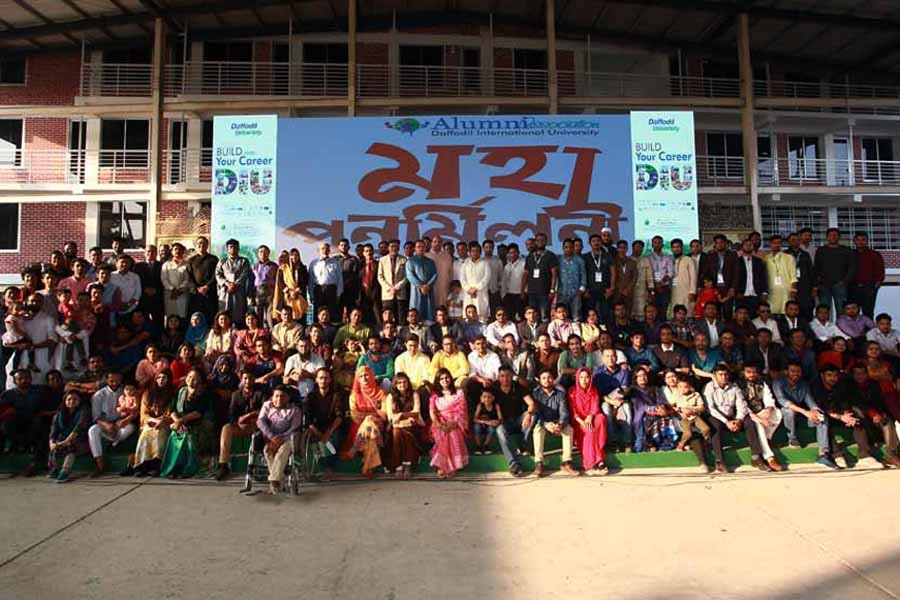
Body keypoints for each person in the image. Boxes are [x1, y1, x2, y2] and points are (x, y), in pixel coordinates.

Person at [703, 364, 766, 473]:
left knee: (749, 421)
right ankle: (719, 461)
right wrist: (726, 422)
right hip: (717, 416)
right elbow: (710, 409)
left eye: (726, 374)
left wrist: (738, 420)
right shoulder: (709, 387)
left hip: (732, 416)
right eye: (720, 375)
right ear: (715, 376)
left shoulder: (734, 387)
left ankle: (757, 457)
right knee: (715, 425)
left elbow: (742, 405)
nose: (724, 377)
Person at [160, 366, 214, 479]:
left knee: (188, 438)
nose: (191, 380)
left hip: (196, 423)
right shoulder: (181, 391)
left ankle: (186, 469)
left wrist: (181, 421)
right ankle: (173, 468)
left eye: (195, 379)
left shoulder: (203, 393)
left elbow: (198, 413)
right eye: (189, 377)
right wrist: (177, 421)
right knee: (174, 435)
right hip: (180, 422)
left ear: (200, 380)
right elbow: (172, 410)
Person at [215, 368, 267, 481]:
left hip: (256, 424)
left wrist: (249, 416)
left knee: (261, 428)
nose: (248, 381)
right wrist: (238, 421)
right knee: (226, 428)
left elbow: (265, 411)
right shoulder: (236, 395)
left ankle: (257, 466)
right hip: (241, 425)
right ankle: (223, 464)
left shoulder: (261, 393)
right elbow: (231, 414)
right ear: (241, 379)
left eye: (250, 378)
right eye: (245, 378)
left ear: (254, 379)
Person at [531, 368, 581, 477]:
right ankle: (539, 463)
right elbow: (537, 413)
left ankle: (566, 463)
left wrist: (560, 424)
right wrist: (546, 424)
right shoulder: (536, 394)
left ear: (553, 379)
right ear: (539, 380)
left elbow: (564, 412)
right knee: (537, 430)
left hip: (557, 421)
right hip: (543, 422)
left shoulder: (560, 394)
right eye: (543, 378)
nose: (547, 380)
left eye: (549, 378)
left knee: (569, 430)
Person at [256, 385, 303, 495]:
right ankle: (278, 479)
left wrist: (280, 439)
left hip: (289, 439)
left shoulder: (295, 410)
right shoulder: (267, 405)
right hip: (272, 438)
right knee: (267, 450)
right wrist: (272, 437)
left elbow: (294, 428)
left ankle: (274, 479)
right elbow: (260, 422)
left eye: (282, 396)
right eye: (276, 396)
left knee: (284, 449)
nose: (278, 399)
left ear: (288, 398)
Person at [341, 366, 387, 478]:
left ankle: (354, 449)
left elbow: (385, 415)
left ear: (371, 376)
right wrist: (372, 415)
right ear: (358, 379)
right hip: (362, 427)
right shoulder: (354, 395)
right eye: (361, 376)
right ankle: (367, 468)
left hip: (379, 425)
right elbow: (355, 416)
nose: (364, 378)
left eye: (366, 375)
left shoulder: (381, 393)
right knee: (370, 432)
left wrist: (369, 416)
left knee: (369, 422)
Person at [87, 371, 135, 477]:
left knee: (130, 428)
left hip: (120, 424)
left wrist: (122, 422)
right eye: (112, 381)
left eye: (117, 380)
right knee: (93, 430)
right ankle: (99, 462)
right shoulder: (99, 395)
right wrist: (107, 425)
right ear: (107, 380)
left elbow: (133, 410)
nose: (114, 383)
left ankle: (114, 443)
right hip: (105, 424)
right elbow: (96, 417)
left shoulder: (126, 391)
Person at [738, 364, 785, 471]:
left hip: (761, 412)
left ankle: (766, 439)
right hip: (748, 414)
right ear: (743, 373)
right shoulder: (739, 385)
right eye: (748, 372)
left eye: (754, 372)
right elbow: (742, 405)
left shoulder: (762, 383)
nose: (752, 375)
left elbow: (769, 398)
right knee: (758, 425)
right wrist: (759, 419)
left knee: (777, 413)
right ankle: (769, 457)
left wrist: (768, 410)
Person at [133, 369, 175, 477]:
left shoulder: (172, 393)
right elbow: (144, 414)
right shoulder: (148, 393)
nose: (161, 380)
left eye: (164, 378)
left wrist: (162, 421)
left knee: (159, 433)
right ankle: (141, 465)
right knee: (146, 433)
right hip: (150, 422)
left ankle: (156, 465)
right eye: (159, 378)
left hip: (166, 423)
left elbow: (171, 412)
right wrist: (154, 420)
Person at [305, 368, 345, 479]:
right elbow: (307, 419)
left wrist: (328, 433)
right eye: (321, 378)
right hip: (315, 428)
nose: (323, 381)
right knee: (315, 441)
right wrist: (318, 433)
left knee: (333, 440)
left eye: (326, 378)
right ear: (316, 380)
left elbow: (339, 417)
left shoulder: (336, 396)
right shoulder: (311, 396)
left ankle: (329, 469)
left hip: (332, 427)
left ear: (330, 380)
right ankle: (320, 468)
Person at [567, 366, 608, 475]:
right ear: (577, 379)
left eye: (587, 377)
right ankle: (592, 463)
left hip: (591, 417)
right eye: (581, 377)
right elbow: (573, 411)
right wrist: (582, 421)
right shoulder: (572, 391)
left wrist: (590, 417)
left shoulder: (593, 390)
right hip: (578, 421)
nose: (584, 380)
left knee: (601, 418)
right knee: (590, 431)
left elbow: (595, 406)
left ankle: (598, 459)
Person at [667, 375, 713, 472]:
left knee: (706, 429)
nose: (683, 389)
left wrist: (692, 410)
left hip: (695, 416)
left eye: (685, 387)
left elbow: (702, 407)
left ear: (690, 387)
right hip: (685, 419)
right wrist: (680, 412)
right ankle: (681, 444)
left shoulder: (696, 395)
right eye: (680, 387)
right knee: (688, 433)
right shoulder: (678, 396)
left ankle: (706, 443)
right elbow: (673, 407)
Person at [429, 368, 469, 478]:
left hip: (456, 423)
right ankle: (444, 466)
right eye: (441, 379)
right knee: (443, 434)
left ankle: (449, 467)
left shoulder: (459, 393)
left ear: (451, 379)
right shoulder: (435, 395)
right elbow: (432, 412)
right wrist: (439, 424)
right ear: (438, 381)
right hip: (440, 422)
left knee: (453, 434)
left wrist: (453, 424)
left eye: (447, 377)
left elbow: (462, 411)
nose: (444, 380)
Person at [630, 365, 678, 453]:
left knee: (665, 418)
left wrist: (662, 408)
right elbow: (639, 405)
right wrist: (652, 410)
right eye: (639, 376)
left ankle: (665, 444)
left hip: (658, 412)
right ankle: (648, 444)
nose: (642, 378)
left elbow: (661, 401)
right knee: (647, 420)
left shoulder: (655, 388)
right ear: (635, 378)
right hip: (642, 413)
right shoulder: (633, 390)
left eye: (644, 375)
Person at [385, 372, 424, 479]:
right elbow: (390, 416)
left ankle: (407, 465)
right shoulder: (390, 397)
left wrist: (402, 415)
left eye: (404, 382)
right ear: (395, 384)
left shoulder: (414, 394)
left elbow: (416, 412)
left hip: (413, 424)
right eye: (399, 382)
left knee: (406, 431)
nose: (402, 385)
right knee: (397, 433)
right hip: (396, 426)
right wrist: (403, 419)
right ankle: (399, 465)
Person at [592, 348, 632, 450]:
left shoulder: (624, 371)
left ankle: (627, 442)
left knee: (627, 409)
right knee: (606, 410)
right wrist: (612, 402)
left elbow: (624, 389)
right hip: (606, 400)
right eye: (607, 356)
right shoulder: (598, 373)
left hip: (621, 399)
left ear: (617, 357)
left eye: (613, 356)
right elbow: (599, 394)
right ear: (603, 359)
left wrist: (617, 404)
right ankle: (613, 442)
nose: (610, 359)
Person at [47, 391, 91, 483]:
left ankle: (65, 472)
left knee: (70, 446)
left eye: (75, 399)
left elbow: (78, 428)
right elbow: (54, 430)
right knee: (55, 446)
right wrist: (52, 443)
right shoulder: (59, 413)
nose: (72, 401)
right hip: (63, 441)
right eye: (69, 399)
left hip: (81, 441)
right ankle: (54, 469)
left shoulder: (84, 411)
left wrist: (65, 442)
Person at [814, 228, 855, 320]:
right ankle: (825, 332)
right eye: (831, 235)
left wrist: (844, 282)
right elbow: (816, 268)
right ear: (827, 237)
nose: (833, 237)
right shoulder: (821, 250)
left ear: (839, 237)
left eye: (835, 235)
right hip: (824, 285)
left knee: (841, 311)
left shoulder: (846, 250)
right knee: (823, 311)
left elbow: (852, 267)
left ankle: (841, 331)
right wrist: (817, 284)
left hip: (840, 285)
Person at [699, 234, 737, 320]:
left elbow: (736, 273)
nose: (719, 244)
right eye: (717, 243)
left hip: (727, 288)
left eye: (721, 242)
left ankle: (727, 332)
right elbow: (705, 272)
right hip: (714, 288)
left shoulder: (732, 255)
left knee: (728, 312)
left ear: (726, 243)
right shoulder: (711, 256)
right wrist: (704, 285)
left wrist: (733, 288)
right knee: (715, 312)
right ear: (715, 244)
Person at [522, 232, 558, 322]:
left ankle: (544, 335)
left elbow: (554, 273)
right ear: (535, 242)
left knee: (544, 316)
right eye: (538, 240)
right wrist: (522, 290)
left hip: (545, 292)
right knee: (533, 316)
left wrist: (552, 290)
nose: (540, 242)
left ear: (546, 242)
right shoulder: (530, 256)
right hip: (532, 292)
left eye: (542, 240)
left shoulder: (550, 255)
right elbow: (525, 274)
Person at [215, 239, 250, 325]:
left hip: (238, 291)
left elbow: (245, 274)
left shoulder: (244, 261)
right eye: (230, 247)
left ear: (238, 248)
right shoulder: (222, 261)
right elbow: (218, 274)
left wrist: (235, 284)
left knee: (239, 314)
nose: (233, 249)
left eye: (235, 247)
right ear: (227, 249)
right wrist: (227, 283)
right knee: (224, 312)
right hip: (225, 291)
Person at [583, 231, 616, 323]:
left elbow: (613, 272)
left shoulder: (608, 256)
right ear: (590, 243)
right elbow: (582, 273)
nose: (596, 243)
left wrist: (612, 288)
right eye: (593, 241)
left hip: (605, 290)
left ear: (601, 242)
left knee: (605, 313)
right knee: (590, 313)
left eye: (598, 241)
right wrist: (585, 289)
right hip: (590, 290)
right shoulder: (585, 257)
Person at [850, 232, 884, 319]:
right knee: (852, 313)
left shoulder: (874, 254)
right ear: (854, 241)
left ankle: (869, 332)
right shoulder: (850, 254)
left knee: (868, 313)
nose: (860, 242)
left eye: (863, 240)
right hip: (852, 288)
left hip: (869, 287)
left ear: (867, 241)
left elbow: (880, 271)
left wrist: (876, 286)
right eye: (858, 240)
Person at [272, 248, 309, 326]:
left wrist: (296, 292)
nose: (294, 257)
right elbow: (280, 283)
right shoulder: (283, 269)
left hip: (299, 296)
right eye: (292, 255)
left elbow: (304, 282)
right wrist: (289, 291)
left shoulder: (303, 268)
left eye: (296, 255)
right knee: (287, 316)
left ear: (299, 257)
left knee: (300, 320)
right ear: (289, 257)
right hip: (287, 297)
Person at [187, 236, 219, 323]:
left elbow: (216, 275)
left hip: (210, 293)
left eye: (204, 243)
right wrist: (196, 289)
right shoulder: (191, 260)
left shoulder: (213, 259)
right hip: (196, 294)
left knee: (210, 317)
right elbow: (189, 277)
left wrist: (207, 286)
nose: (201, 245)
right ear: (196, 245)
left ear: (207, 245)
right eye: (199, 243)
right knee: (196, 317)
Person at [733, 237, 767, 317]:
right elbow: (734, 278)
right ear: (742, 247)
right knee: (740, 318)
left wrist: (764, 292)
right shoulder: (736, 261)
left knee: (754, 317)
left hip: (755, 294)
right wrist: (736, 292)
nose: (748, 246)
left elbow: (763, 277)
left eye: (750, 245)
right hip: (741, 294)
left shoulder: (758, 261)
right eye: (746, 245)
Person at [764, 235, 797, 315]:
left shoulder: (789, 257)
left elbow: (793, 276)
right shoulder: (766, 259)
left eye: (779, 243)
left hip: (786, 290)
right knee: (771, 312)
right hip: (771, 291)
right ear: (770, 244)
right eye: (774, 243)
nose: (776, 245)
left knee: (785, 313)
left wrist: (793, 290)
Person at [377, 239, 408, 325]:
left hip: (400, 293)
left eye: (396, 246)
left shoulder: (404, 260)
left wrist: (397, 287)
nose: (394, 248)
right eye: (392, 246)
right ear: (388, 248)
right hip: (387, 294)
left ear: (398, 248)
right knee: (387, 318)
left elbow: (407, 277)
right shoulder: (382, 260)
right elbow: (380, 276)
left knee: (401, 318)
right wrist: (390, 288)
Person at [283, 337, 324, 402]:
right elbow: (285, 379)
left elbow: (323, 377)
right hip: (294, 393)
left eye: (306, 346)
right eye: (301, 346)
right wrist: (292, 377)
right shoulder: (291, 360)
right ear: (297, 347)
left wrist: (307, 374)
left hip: (312, 394)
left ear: (310, 346)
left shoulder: (318, 359)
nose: (304, 349)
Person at [406, 239, 437, 322]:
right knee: (416, 311)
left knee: (429, 311)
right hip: (416, 290)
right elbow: (410, 276)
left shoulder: (430, 262)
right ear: (415, 249)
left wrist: (427, 286)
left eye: (423, 247)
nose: (421, 248)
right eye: (418, 247)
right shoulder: (411, 261)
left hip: (428, 290)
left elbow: (435, 275)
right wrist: (421, 286)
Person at [557, 238, 586, 321]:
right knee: (562, 317)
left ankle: (575, 334)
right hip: (562, 293)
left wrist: (582, 289)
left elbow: (583, 275)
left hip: (576, 294)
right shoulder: (559, 260)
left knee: (576, 317)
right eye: (566, 247)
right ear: (563, 248)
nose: (568, 249)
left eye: (570, 247)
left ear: (573, 248)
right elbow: (555, 275)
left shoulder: (580, 260)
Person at [161, 243, 193, 320]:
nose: (177, 251)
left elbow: (188, 279)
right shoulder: (166, 265)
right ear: (171, 251)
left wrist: (179, 289)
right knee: (170, 316)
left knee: (182, 316)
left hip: (182, 293)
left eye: (180, 249)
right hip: (170, 294)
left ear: (183, 251)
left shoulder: (187, 264)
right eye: (175, 249)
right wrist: (172, 289)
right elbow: (164, 279)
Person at [251, 245, 278, 329]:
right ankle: (260, 336)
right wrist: (251, 296)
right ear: (258, 254)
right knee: (258, 317)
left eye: (265, 252)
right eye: (261, 252)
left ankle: (271, 337)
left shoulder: (274, 266)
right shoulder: (254, 266)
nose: (263, 254)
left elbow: (278, 281)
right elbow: (251, 281)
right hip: (258, 293)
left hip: (270, 293)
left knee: (270, 318)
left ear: (268, 253)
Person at [669, 238, 697, 318]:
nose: (676, 249)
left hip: (686, 291)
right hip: (674, 290)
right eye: (674, 247)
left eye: (678, 247)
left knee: (687, 312)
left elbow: (693, 276)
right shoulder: (670, 260)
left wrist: (692, 291)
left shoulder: (688, 260)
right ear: (671, 249)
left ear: (682, 248)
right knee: (674, 311)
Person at [426, 235, 453, 309]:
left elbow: (451, 272)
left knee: (443, 306)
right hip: (431, 286)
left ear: (441, 243)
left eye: (439, 242)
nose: (437, 243)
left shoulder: (447, 256)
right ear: (431, 243)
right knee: (431, 306)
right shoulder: (426, 256)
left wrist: (450, 285)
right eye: (435, 242)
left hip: (444, 285)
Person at [472, 387, 502, 455]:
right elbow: (474, 419)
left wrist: (497, 421)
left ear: (493, 398)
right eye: (484, 397)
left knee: (491, 429)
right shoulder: (480, 406)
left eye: (489, 397)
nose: (487, 399)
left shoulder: (496, 406)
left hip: (490, 426)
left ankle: (486, 445)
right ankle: (478, 446)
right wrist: (486, 422)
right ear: (481, 398)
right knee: (476, 427)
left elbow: (501, 419)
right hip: (481, 425)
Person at [501, 243, 526, 321]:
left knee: (521, 316)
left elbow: (526, 279)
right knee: (510, 317)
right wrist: (503, 295)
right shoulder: (507, 266)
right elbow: (504, 282)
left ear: (518, 252)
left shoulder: (524, 264)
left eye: (514, 252)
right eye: (510, 253)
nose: (512, 254)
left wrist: (524, 292)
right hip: (509, 295)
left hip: (520, 294)